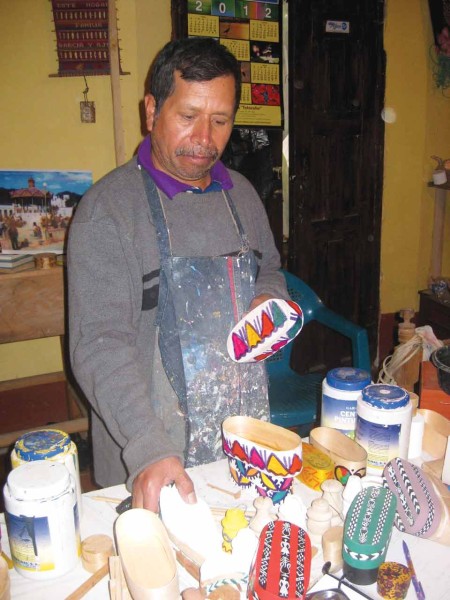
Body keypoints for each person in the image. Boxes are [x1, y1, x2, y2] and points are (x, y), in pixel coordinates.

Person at [68, 37, 288, 513]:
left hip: (241, 444)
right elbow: (99, 343)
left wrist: (266, 299)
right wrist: (148, 447)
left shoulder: (243, 196)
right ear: (152, 111)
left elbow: (268, 267)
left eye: (221, 120)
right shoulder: (108, 211)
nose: (205, 138)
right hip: (152, 455)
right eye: (188, 116)